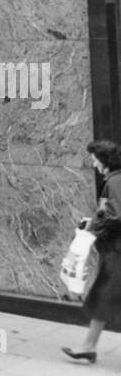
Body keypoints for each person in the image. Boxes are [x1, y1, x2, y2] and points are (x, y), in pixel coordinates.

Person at [62, 139, 121, 364]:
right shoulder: (115, 180)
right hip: (115, 249)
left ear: (104, 160)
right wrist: (93, 221)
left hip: (117, 252)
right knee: (102, 298)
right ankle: (88, 346)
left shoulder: (115, 182)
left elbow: (115, 216)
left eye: (95, 160)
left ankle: (88, 346)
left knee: (103, 296)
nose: (94, 164)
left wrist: (93, 226)